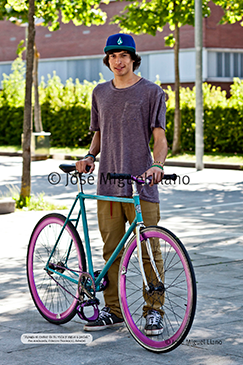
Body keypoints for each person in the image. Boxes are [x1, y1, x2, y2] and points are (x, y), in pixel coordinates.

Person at [76, 33, 168, 335]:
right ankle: (113, 311)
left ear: (133, 59)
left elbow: (160, 138)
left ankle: (153, 310)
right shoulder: (100, 93)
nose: (118, 61)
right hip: (108, 185)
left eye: (124, 56)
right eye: (113, 56)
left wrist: (157, 165)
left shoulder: (152, 92)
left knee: (149, 250)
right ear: (107, 60)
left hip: (142, 185)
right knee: (111, 250)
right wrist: (90, 156)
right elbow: (99, 133)